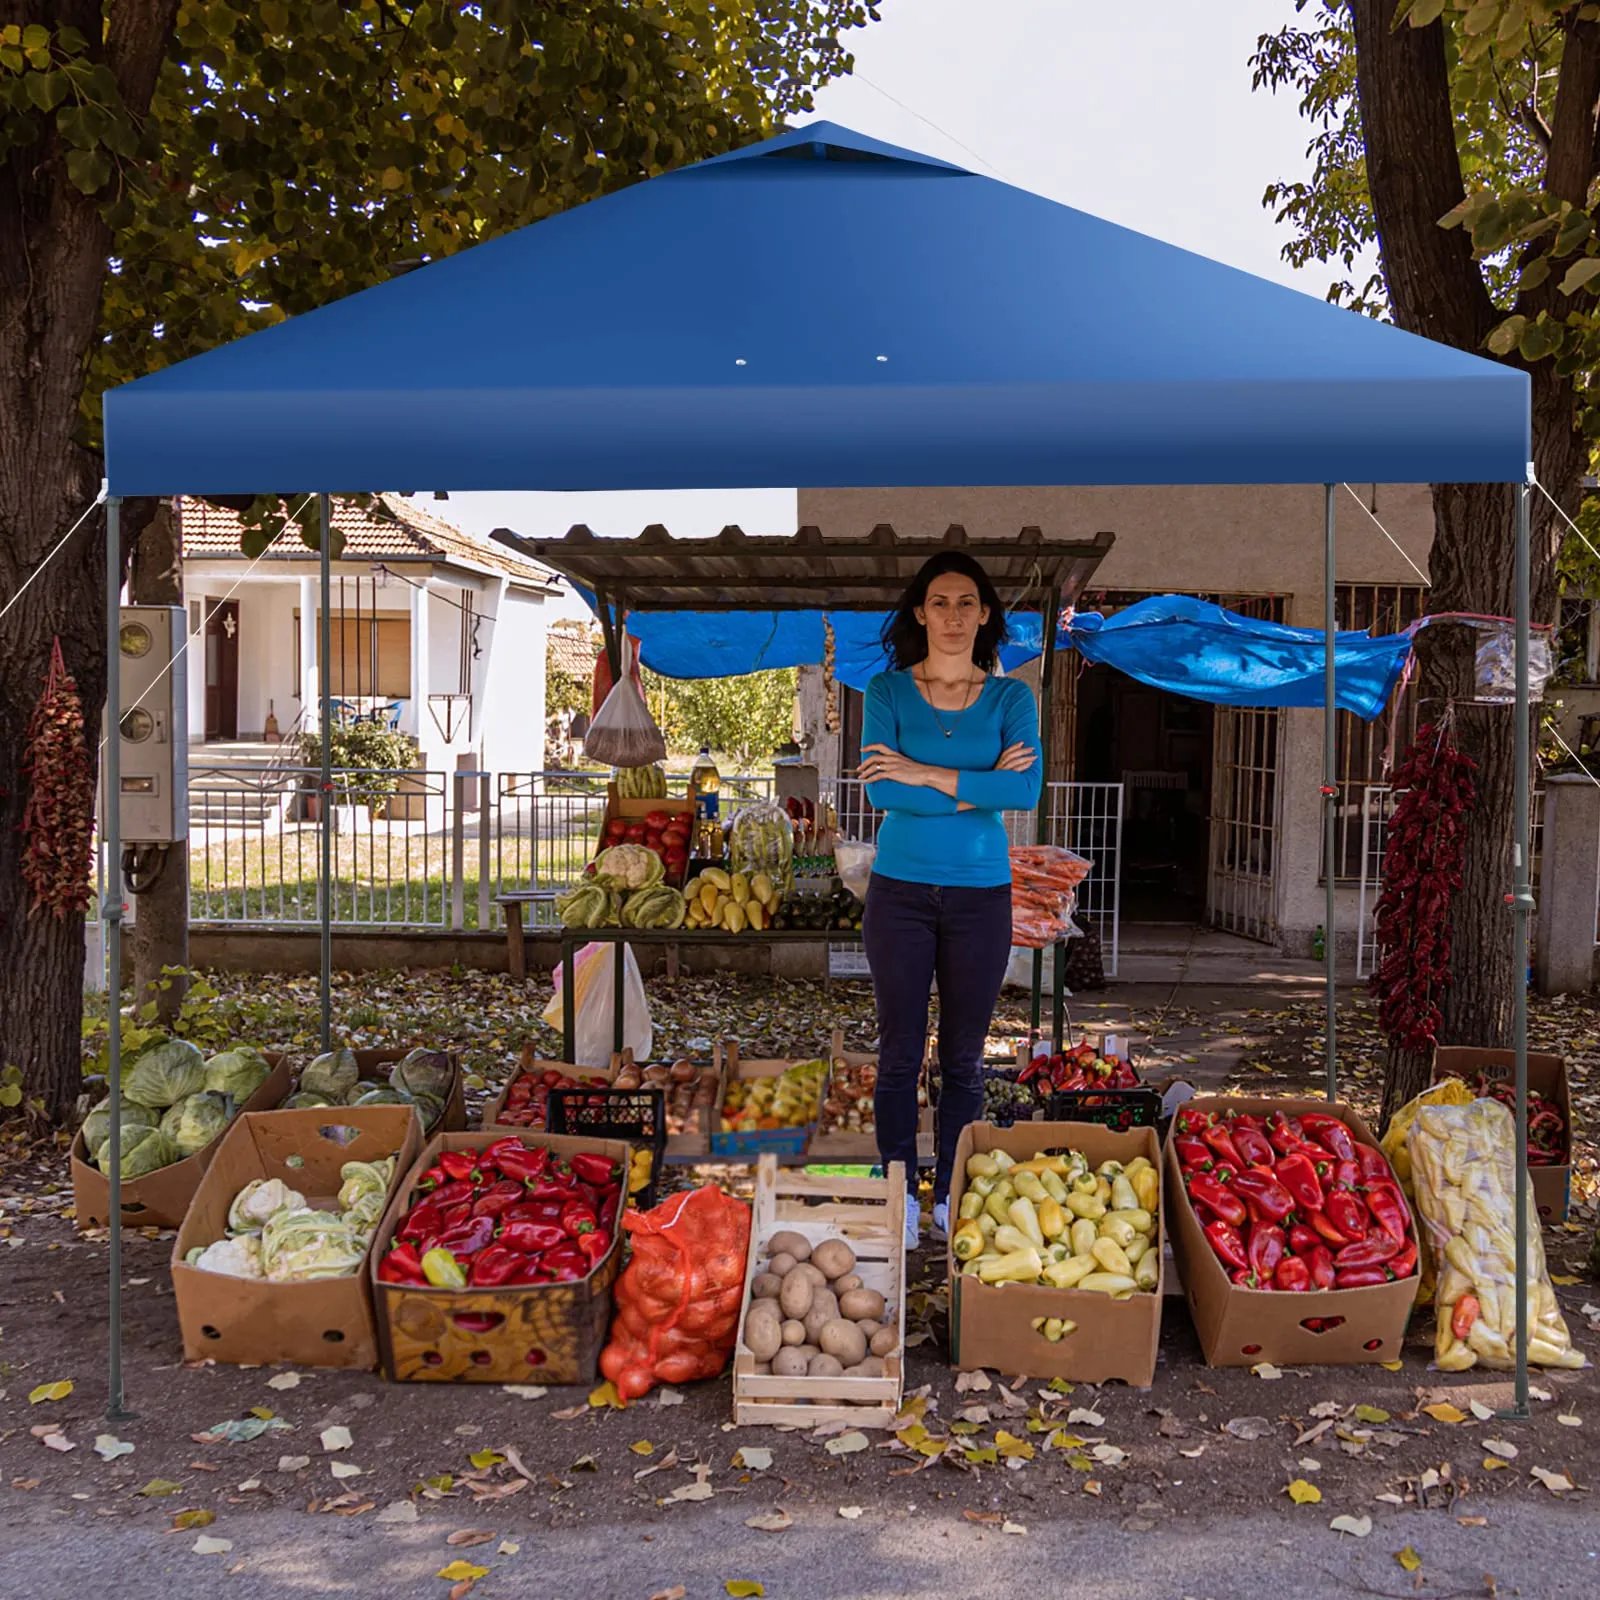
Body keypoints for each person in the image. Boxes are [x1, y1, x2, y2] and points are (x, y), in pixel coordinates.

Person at [859, 552, 1042, 1249]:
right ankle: (900, 1193)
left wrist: (923, 770)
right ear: (919, 612)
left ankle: (953, 1193)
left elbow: (1022, 793)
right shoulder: (886, 690)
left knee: (964, 1059)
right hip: (900, 892)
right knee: (900, 1053)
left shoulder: (1010, 699)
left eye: (968, 602)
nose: (954, 615)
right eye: (940, 602)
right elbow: (883, 792)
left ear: (987, 613)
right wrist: (973, 780)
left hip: (980, 895)